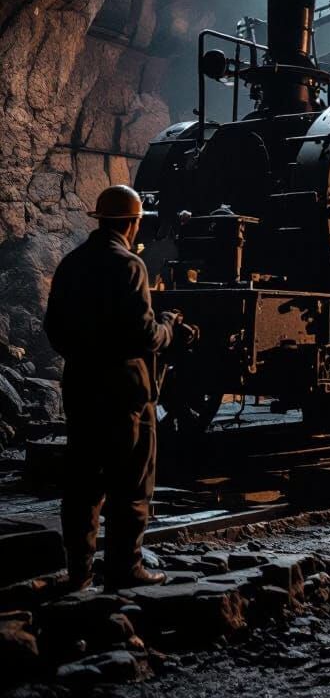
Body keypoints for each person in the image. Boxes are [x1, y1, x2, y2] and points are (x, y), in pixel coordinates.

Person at [45, 185, 184, 591]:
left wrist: (86, 354)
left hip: (83, 389)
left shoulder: (71, 264)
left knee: (83, 485)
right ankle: (126, 569)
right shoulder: (129, 266)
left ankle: (79, 573)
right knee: (131, 484)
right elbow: (145, 336)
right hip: (126, 395)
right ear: (131, 223)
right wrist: (171, 326)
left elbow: (55, 330)